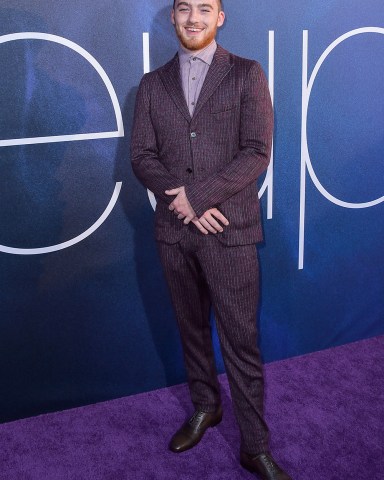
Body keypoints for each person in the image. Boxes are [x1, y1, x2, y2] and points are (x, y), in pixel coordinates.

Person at [131, 1, 291, 478]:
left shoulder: (246, 74)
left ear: (221, 17)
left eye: (206, 8)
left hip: (231, 232)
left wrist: (196, 198)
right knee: (191, 330)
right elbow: (141, 155)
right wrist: (181, 202)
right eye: (185, 9)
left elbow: (257, 150)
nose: (194, 17)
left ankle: (254, 445)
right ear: (173, 17)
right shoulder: (152, 84)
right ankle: (206, 406)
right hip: (174, 236)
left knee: (241, 341)